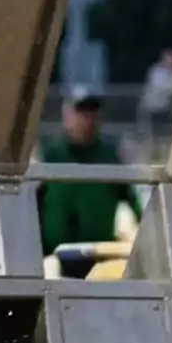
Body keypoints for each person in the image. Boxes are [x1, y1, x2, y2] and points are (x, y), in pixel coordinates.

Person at [37, 91, 140, 262]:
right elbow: (33, 201)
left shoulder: (109, 156)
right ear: (67, 116)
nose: (87, 119)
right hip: (54, 256)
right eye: (81, 112)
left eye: (92, 113)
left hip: (99, 255)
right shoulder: (51, 155)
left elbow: (131, 198)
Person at [140, 47, 172, 144]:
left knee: (169, 134)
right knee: (154, 135)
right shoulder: (156, 72)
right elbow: (161, 86)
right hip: (154, 108)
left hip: (170, 110)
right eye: (170, 60)